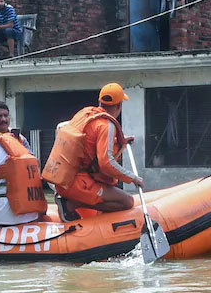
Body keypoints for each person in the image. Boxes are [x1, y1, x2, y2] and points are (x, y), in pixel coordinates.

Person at [42, 82, 142, 222]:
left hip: (63, 181)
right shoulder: (106, 125)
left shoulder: (85, 114)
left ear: (100, 102)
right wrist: (133, 178)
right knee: (127, 202)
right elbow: (106, 164)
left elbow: (89, 142)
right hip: (79, 184)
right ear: (119, 106)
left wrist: (121, 141)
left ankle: (72, 202)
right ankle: (71, 204)